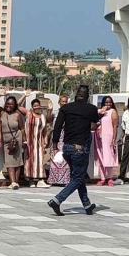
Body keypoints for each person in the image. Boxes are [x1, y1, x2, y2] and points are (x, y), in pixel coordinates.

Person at [46, 84, 101, 216]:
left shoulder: (65, 108)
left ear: (76, 95)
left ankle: (87, 205)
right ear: (87, 96)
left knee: (78, 176)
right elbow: (96, 122)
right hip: (80, 148)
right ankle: (57, 200)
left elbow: (57, 126)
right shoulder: (91, 109)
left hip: (67, 148)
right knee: (77, 178)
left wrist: (55, 145)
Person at [0, 94, 28, 189]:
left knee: (17, 162)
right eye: (7, 104)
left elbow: (22, 128)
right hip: (5, 141)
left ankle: (15, 182)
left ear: (14, 105)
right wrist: (0, 94)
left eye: (11, 104)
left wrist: (24, 140)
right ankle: (13, 182)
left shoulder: (17, 115)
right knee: (9, 162)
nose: (9, 106)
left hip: (16, 139)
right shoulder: (1, 113)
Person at [25, 97, 51, 186]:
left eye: (38, 105)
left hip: (39, 142)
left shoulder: (42, 117)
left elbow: (45, 130)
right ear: (32, 107)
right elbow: (18, 106)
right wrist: (25, 96)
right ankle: (31, 180)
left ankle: (41, 180)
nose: (36, 107)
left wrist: (45, 141)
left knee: (40, 160)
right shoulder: (29, 114)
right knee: (30, 161)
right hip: (30, 142)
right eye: (35, 106)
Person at [94, 95, 118, 184]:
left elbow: (115, 126)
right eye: (106, 102)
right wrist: (100, 114)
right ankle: (102, 178)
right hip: (99, 137)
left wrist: (114, 139)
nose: (108, 104)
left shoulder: (113, 111)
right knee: (100, 157)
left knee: (109, 156)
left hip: (108, 137)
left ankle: (110, 177)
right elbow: (95, 122)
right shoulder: (99, 111)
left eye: (110, 102)